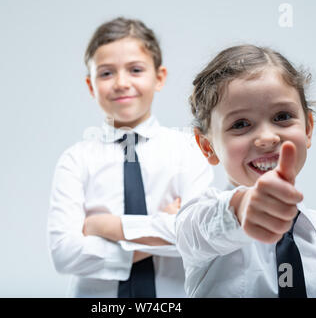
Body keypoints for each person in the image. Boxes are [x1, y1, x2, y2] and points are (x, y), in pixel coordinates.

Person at [175, 44, 316, 297]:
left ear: (307, 128)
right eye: (241, 124)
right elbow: (207, 225)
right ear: (207, 147)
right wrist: (242, 208)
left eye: (282, 116)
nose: (267, 137)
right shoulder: (198, 224)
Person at [47, 17, 214, 297]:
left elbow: (199, 237)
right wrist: (165, 225)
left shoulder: (188, 150)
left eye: (135, 70)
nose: (122, 83)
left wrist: (105, 227)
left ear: (159, 77)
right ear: (91, 86)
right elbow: (64, 253)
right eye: (106, 73)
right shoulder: (76, 160)